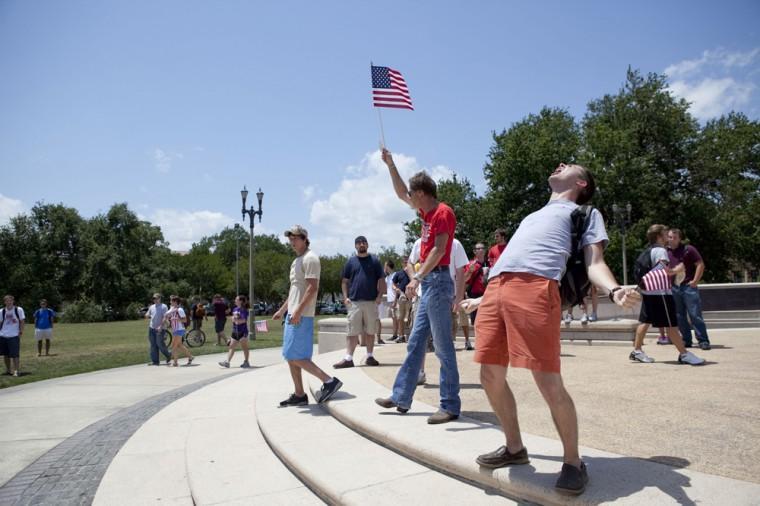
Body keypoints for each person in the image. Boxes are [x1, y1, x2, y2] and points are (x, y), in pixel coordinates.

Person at [460, 162, 640, 495]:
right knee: (490, 376)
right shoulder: (532, 215)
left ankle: (573, 462)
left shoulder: (585, 212)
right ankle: (515, 448)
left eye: (569, 165)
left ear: (581, 182)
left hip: (536, 288)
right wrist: (484, 298)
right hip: (498, 289)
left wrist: (614, 290)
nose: (560, 164)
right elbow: (514, 257)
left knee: (547, 381)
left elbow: (595, 261)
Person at [375, 148, 462, 425]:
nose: (409, 198)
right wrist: (391, 165)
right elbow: (401, 193)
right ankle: (401, 396)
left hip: (436, 282)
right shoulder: (426, 212)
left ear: (422, 193)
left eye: (413, 194)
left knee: (443, 347)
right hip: (429, 286)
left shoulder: (442, 213)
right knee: (414, 343)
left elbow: (438, 251)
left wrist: (416, 278)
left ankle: (449, 405)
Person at [273, 225, 342, 406]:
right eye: (290, 239)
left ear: (304, 239)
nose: (292, 242)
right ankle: (299, 394)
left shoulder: (311, 259)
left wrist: (298, 311)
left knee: (296, 356)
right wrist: (283, 310)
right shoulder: (296, 261)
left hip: (302, 315)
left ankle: (329, 381)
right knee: (290, 356)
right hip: (293, 314)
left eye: (295, 238)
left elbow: (312, 288)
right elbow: (294, 290)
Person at [630, 225, 706, 365]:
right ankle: (684, 354)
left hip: (648, 292)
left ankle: (637, 351)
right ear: (659, 236)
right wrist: (677, 269)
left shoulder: (647, 251)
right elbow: (663, 271)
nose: (668, 237)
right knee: (671, 325)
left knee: (645, 321)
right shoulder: (660, 251)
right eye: (665, 234)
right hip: (660, 293)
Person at [333, 236, 386, 368]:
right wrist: (345, 297)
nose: (361, 244)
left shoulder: (374, 261)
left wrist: (380, 295)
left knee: (370, 331)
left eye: (364, 242)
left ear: (367, 245)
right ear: (355, 246)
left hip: (371, 302)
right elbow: (344, 281)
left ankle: (369, 357)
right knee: (352, 331)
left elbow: (381, 280)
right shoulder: (350, 262)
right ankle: (348, 359)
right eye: (359, 243)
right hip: (354, 302)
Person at [668, 228, 711, 350]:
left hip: (688, 287)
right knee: (679, 316)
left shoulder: (689, 249)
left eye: (674, 237)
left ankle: (703, 340)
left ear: (680, 239)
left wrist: (695, 281)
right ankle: (686, 340)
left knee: (695, 314)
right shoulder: (666, 252)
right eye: (670, 237)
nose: (671, 240)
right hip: (674, 288)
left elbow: (700, 264)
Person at [464, 242, 488, 344]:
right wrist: (469, 271)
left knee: (487, 319)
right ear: (474, 251)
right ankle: (479, 341)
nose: (481, 250)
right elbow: (464, 279)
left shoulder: (489, 263)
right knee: (476, 320)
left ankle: (485, 341)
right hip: (474, 294)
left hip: (487, 294)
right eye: (478, 248)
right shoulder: (471, 264)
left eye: (482, 248)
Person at [219, 295, 252, 368]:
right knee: (231, 347)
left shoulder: (244, 310)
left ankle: (246, 362)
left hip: (243, 332)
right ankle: (227, 362)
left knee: (244, 347)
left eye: (236, 299)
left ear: (241, 301)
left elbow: (243, 320)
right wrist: (235, 320)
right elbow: (233, 320)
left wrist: (236, 320)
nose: (235, 300)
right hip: (235, 331)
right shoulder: (234, 309)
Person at [164, 295, 194, 367]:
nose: (170, 302)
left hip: (179, 329)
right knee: (179, 345)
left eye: (171, 301)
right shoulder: (173, 310)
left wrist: (177, 319)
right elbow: (166, 315)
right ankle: (190, 357)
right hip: (175, 330)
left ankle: (175, 362)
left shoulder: (180, 310)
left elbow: (185, 320)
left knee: (174, 346)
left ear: (175, 302)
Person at [1, 295, 25, 377]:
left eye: (10, 300)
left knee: (15, 355)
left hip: (14, 335)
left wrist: (20, 332)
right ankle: (8, 370)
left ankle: (16, 371)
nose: (8, 302)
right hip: (3, 335)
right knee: (5, 354)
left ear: (13, 301)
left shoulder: (18, 309)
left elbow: (22, 321)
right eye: (7, 301)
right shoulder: (2, 311)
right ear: (4, 302)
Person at [145, 293, 172, 366]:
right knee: (153, 345)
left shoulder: (164, 306)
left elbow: (165, 317)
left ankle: (168, 355)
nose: (155, 300)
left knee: (160, 344)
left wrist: (160, 326)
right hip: (152, 328)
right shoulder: (151, 307)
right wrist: (147, 315)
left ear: (160, 298)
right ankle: (155, 361)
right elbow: (148, 314)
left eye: (156, 298)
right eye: (154, 298)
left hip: (160, 328)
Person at [391, 259, 412, 342]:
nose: (406, 264)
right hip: (401, 298)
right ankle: (401, 336)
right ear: (402, 263)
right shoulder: (398, 273)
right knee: (400, 318)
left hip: (411, 298)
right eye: (405, 262)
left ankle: (410, 335)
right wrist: (396, 289)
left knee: (411, 317)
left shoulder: (412, 272)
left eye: (408, 262)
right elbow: (393, 284)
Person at [378, 260, 398, 344]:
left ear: (388, 266)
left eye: (385, 266)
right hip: (389, 300)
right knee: (393, 318)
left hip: (394, 300)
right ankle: (394, 335)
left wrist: (395, 300)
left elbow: (397, 289)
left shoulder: (396, 275)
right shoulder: (387, 277)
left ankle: (397, 335)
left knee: (396, 318)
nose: (384, 267)